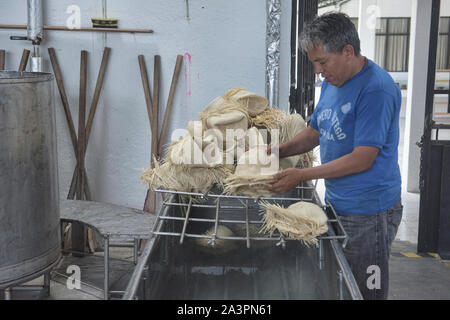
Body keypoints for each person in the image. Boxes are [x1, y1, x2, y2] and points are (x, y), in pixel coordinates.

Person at [267, 12, 403, 300]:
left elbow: (362, 158)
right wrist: (278, 152)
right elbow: (317, 130)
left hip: (370, 213)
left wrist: (301, 175)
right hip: (339, 202)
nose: (318, 71)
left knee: (367, 289)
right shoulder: (333, 80)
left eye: (323, 62)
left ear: (348, 51)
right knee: (340, 282)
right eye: (315, 63)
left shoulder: (376, 89)